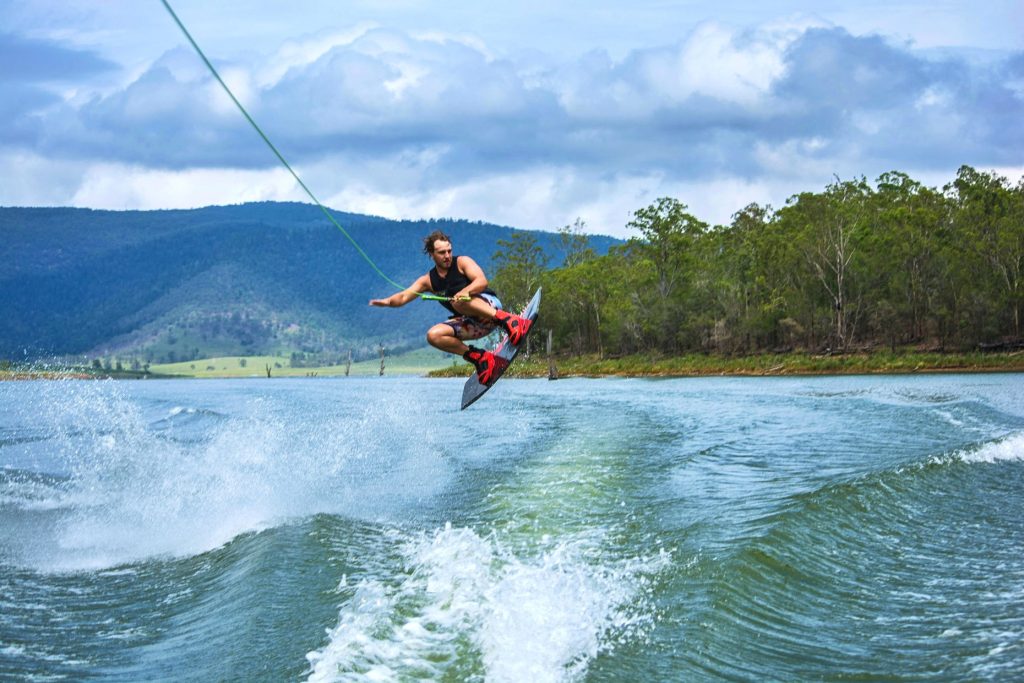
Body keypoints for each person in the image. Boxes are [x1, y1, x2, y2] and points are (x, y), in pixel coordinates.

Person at [369, 230, 532, 383]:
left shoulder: (462, 262)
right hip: (474, 324)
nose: (447, 256)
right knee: (433, 335)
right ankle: (480, 358)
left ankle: (512, 321)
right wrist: (387, 302)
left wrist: (466, 292)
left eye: (449, 251)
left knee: (458, 301)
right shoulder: (428, 281)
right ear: (432, 255)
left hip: (489, 308)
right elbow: (404, 296)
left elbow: (482, 281)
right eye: (441, 253)